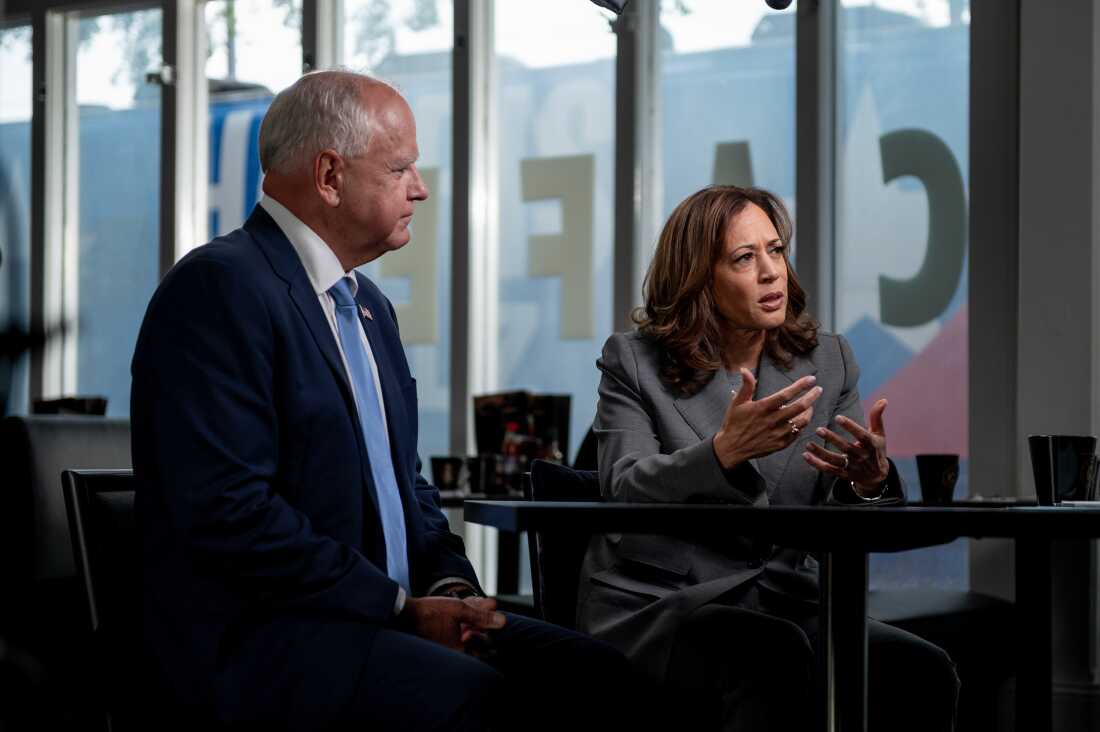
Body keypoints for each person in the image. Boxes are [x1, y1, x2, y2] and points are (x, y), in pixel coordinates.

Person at [132, 70, 635, 731]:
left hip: (380, 623)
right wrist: (399, 607)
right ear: (330, 176)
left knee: (604, 677)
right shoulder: (217, 289)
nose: (420, 189)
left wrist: (451, 589)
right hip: (273, 643)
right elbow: (232, 512)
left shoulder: (367, 307)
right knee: (488, 699)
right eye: (401, 169)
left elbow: (406, 487)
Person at [576, 185, 960, 731]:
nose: (771, 272)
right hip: (664, 604)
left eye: (776, 251)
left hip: (784, 597)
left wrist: (868, 482)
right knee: (771, 656)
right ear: (698, 278)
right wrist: (722, 452)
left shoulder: (829, 361)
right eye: (744, 258)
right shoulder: (634, 362)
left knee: (921, 668)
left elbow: (838, 507)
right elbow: (623, 486)